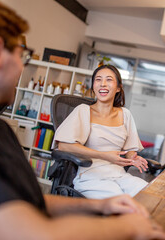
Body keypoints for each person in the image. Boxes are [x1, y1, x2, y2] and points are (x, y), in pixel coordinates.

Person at [0, 1, 165, 239]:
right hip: (92, 177)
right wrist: (129, 227)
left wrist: (99, 206)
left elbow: (30, 201)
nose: (21, 67)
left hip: (116, 177)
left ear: (118, 89)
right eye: (23, 56)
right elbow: (33, 234)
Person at [53, 65, 149, 199]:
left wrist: (133, 157)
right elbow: (64, 146)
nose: (103, 84)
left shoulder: (125, 114)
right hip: (91, 176)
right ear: (93, 86)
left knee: (147, 195)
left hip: (119, 175)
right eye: (98, 80)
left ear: (118, 88)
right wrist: (104, 155)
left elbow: (128, 150)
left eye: (109, 80)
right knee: (119, 203)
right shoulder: (83, 111)